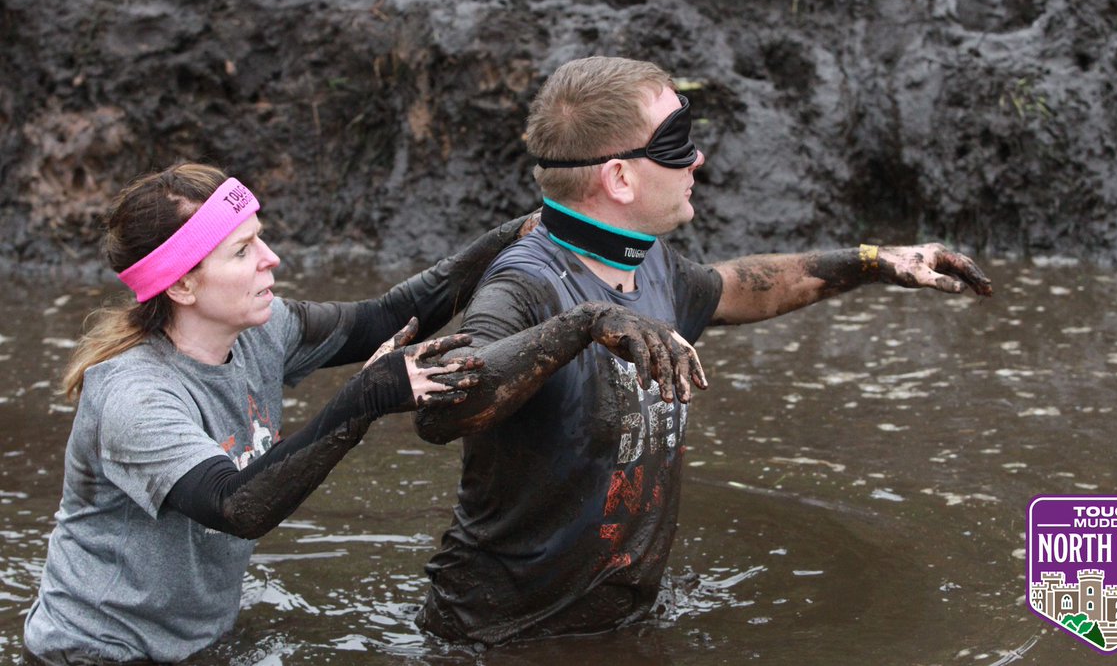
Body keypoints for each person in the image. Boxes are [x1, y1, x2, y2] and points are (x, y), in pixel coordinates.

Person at [411, 56, 994, 645]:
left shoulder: (648, 263)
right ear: (619, 178)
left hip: (613, 630)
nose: (696, 159)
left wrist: (874, 261)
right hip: (501, 642)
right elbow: (442, 410)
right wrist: (580, 326)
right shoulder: (522, 285)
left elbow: (741, 287)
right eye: (677, 143)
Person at [22, 162, 542, 664]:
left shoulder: (262, 332)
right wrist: (365, 399)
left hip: (196, 642)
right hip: (94, 653)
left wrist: (515, 233)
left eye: (260, 238)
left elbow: (384, 318)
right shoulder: (134, 398)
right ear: (181, 285)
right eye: (243, 250)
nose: (272, 259)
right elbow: (237, 507)